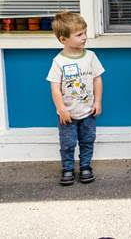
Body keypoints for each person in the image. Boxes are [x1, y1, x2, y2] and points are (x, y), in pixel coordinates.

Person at [46, 12, 104, 186]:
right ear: (63, 40)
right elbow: (55, 87)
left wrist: (98, 102)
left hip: (88, 112)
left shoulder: (91, 56)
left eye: (85, 32)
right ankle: (68, 168)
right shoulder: (59, 61)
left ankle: (85, 166)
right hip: (68, 114)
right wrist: (62, 109)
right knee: (68, 143)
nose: (85, 37)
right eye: (79, 34)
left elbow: (97, 79)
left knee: (87, 140)